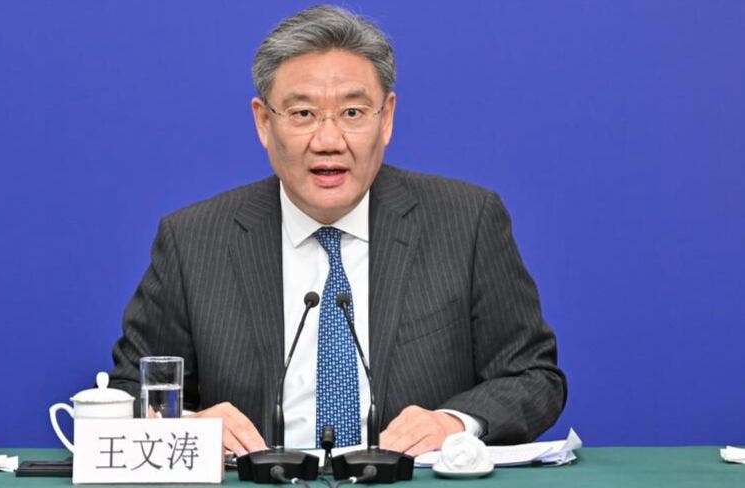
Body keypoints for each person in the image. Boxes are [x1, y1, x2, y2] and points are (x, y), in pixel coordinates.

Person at [109, 4, 565, 457]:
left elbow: (532, 376)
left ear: (386, 118)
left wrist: (454, 423)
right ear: (264, 122)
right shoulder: (194, 240)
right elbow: (130, 389)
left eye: (352, 112)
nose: (329, 141)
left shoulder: (466, 222)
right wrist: (189, 426)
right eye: (303, 114)